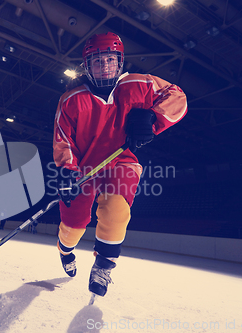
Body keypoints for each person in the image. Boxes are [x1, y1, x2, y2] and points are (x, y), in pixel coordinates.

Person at [53, 32, 187, 297]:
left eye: (110, 60)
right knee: (74, 226)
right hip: (82, 169)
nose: (105, 66)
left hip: (121, 161)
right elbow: (63, 138)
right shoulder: (70, 100)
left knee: (117, 210)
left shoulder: (140, 84)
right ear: (87, 66)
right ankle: (64, 250)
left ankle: (104, 265)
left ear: (120, 61)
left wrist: (153, 117)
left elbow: (177, 96)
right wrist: (67, 171)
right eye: (97, 61)